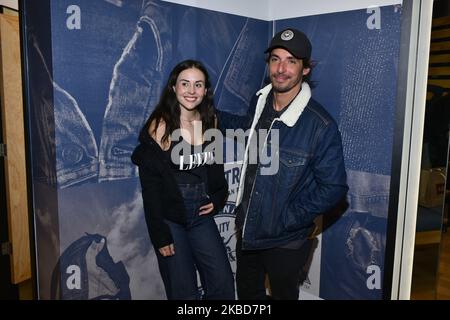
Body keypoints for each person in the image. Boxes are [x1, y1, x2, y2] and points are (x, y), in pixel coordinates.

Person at [217, 28, 349, 300]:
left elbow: (334, 187)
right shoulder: (260, 100)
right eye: (275, 59)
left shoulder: (320, 126)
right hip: (248, 231)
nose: (281, 68)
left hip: (285, 242)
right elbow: (248, 131)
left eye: (291, 61)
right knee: (248, 295)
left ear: (305, 69)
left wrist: (289, 218)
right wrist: (209, 116)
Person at [131, 59, 235, 300]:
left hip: (200, 215)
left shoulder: (212, 121)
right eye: (185, 83)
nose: (191, 91)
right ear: (173, 87)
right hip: (170, 219)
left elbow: (215, 167)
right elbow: (151, 188)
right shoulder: (160, 126)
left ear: (206, 90)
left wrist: (219, 196)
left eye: (198, 85)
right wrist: (160, 234)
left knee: (222, 283)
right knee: (183, 292)